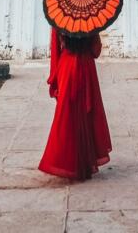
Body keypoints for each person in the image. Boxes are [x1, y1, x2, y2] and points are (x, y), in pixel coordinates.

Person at [38, 26, 112, 180]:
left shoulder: (58, 21)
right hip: (86, 67)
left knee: (67, 115)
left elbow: (55, 52)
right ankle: (85, 163)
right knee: (86, 114)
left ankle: (66, 163)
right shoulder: (91, 19)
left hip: (67, 67)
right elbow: (96, 51)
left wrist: (54, 79)